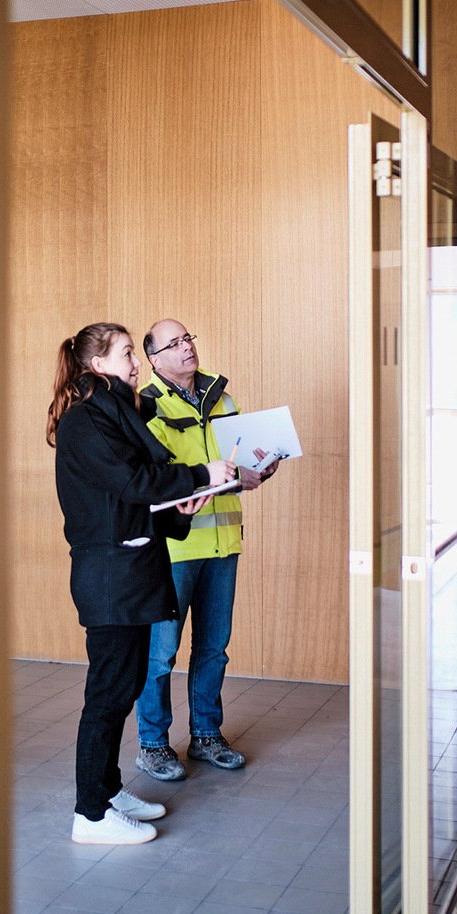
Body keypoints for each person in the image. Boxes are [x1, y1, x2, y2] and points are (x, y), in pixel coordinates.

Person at [47, 322, 237, 845]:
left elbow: (132, 502)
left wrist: (182, 507)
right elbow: (132, 485)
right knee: (108, 693)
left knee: (124, 684)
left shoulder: (113, 416)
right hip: (109, 577)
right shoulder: (86, 422)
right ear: (97, 366)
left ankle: (107, 792)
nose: (136, 363)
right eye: (128, 354)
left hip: (127, 572)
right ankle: (89, 816)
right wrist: (200, 476)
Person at [135, 320, 279, 781]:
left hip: (223, 543)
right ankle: (153, 744)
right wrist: (210, 475)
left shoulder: (224, 397)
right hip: (174, 549)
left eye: (188, 338)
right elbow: (156, 478)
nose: (185, 348)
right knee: (160, 654)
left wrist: (259, 468)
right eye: (173, 344)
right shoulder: (145, 407)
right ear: (154, 360)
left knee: (214, 647)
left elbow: (237, 459)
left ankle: (206, 736)